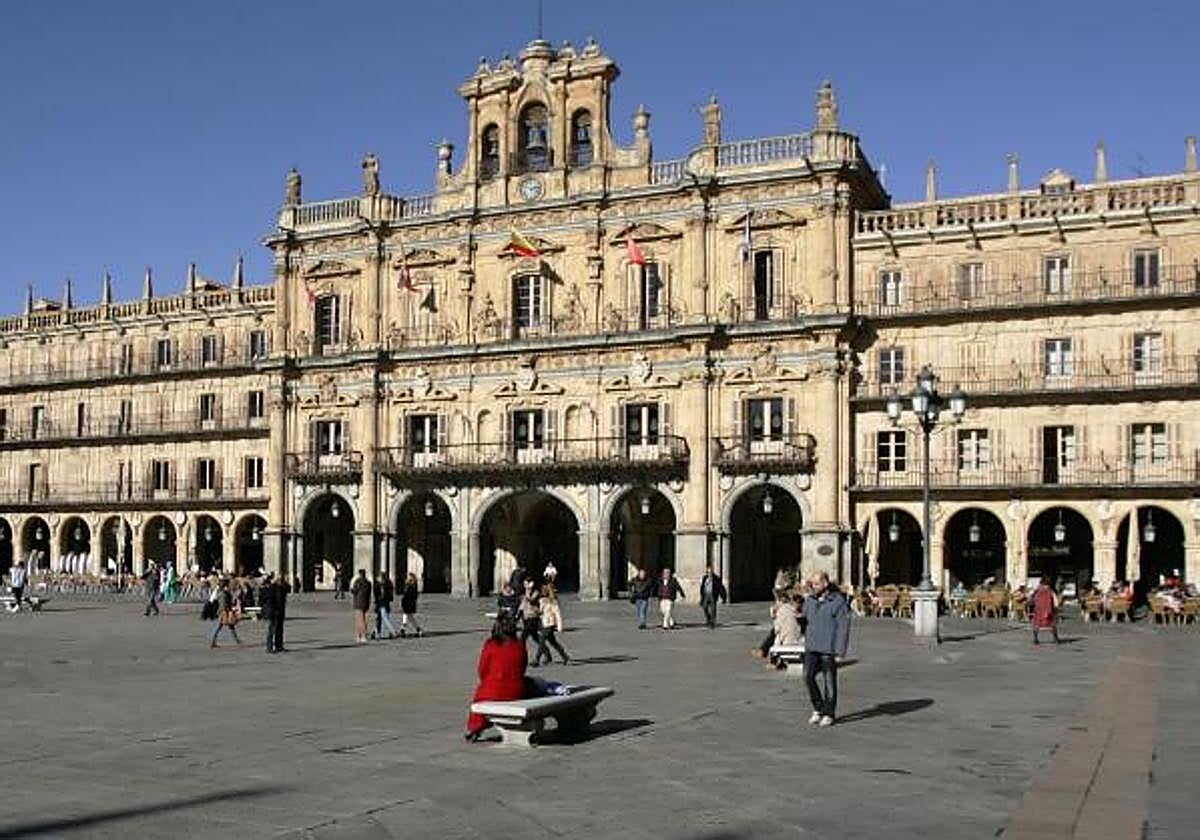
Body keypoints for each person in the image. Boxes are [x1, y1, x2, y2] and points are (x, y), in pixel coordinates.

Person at [465, 614, 529, 742]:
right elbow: (522, 668)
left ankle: (475, 728)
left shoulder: (491, 644)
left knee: (482, 695)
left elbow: (482, 669)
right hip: (515, 691)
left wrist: (488, 680)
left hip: (492, 689)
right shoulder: (520, 645)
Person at [802, 573, 851, 727]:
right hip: (811, 646)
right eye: (812, 584)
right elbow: (805, 618)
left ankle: (829, 713)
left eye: (816, 584)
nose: (813, 587)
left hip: (828, 647)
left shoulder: (837, 601)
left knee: (829, 681)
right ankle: (818, 707)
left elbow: (843, 627)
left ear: (825, 583)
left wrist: (840, 650)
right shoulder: (809, 600)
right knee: (807, 677)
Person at [534, 584, 570, 666]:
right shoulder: (542, 600)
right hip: (544, 623)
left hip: (550, 624)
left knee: (542, 642)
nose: (542, 592)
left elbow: (558, 614)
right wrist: (538, 612)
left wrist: (560, 627)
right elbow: (541, 611)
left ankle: (537, 659)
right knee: (553, 642)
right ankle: (565, 656)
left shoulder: (553, 602)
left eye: (544, 591)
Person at [768, 592, 804, 669]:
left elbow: (777, 629)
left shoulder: (781, 611)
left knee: (778, 638)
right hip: (798, 641)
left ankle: (774, 661)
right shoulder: (797, 611)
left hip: (785, 642)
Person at [209, 578, 243, 648]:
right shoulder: (223, 593)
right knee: (220, 627)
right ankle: (213, 642)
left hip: (223, 611)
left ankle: (237, 640)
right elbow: (224, 603)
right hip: (224, 612)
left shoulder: (221, 592)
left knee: (230, 626)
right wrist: (228, 610)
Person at [1030, 578, 1061, 645]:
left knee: (1037, 625)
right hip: (1049, 611)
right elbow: (1056, 602)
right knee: (1052, 625)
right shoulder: (1050, 592)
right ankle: (1056, 639)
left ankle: (1035, 639)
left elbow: (1032, 600)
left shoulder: (1037, 591)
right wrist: (1056, 609)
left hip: (1039, 611)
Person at [698, 562, 728, 629]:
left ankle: (712, 623)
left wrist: (724, 597)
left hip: (713, 595)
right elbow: (702, 587)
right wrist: (701, 595)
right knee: (705, 607)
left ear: (712, 571)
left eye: (710, 572)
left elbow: (721, 588)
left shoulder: (716, 578)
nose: (709, 573)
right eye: (708, 572)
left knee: (713, 610)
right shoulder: (705, 578)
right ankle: (708, 618)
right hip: (706, 595)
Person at [373, 571, 398, 640]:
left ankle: (393, 632)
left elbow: (379, 594)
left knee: (384, 618)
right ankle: (376, 632)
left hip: (382, 603)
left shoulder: (382, 585)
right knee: (380, 617)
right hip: (384, 603)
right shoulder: (387, 583)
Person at [518, 577, 542, 649]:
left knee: (522, 638)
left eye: (527, 583)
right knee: (536, 638)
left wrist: (528, 592)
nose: (525, 585)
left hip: (533, 617)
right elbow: (522, 605)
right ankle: (547, 653)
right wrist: (518, 615)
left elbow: (531, 601)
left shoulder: (536, 592)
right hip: (526, 617)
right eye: (524, 584)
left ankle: (522, 654)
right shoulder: (524, 592)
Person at [399, 572, 423, 637]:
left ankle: (403, 629)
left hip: (409, 603)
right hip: (407, 603)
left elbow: (409, 594)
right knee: (410, 617)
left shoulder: (412, 585)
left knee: (407, 615)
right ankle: (418, 629)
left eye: (409, 577)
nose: (407, 578)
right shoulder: (410, 585)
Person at [260, 572, 279, 653]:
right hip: (272, 611)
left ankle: (270, 646)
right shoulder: (272, 589)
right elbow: (276, 600)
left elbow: (261, 601)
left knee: (270, 630)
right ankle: (270, 647)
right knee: (271, 630)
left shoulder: (264, 590)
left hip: (267, 611)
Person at [350, 569, 371, 643]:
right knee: (364, 620)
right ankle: (361, 635)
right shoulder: (368, 583)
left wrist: (352, 589)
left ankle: (361, 636)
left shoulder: (358, 582)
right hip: (366, 602)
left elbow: (354, 591)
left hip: (358, 603)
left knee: (359, 620)